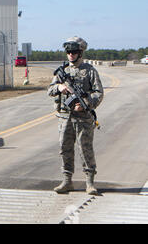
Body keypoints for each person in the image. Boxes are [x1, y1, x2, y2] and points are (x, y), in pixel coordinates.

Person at [47, 36, 104, 195]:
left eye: (74, 52)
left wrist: (86, 103)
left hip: (83, 118)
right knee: (64, 149)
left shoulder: (89, 71)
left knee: (85, 149)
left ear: (80, 53)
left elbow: (99, 92)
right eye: (68, 52)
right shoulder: (62, 72)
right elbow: (49, 90)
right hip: (65, 117)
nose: (71, 55)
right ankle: (67, 181)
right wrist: (59, 87)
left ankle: (90, 182)